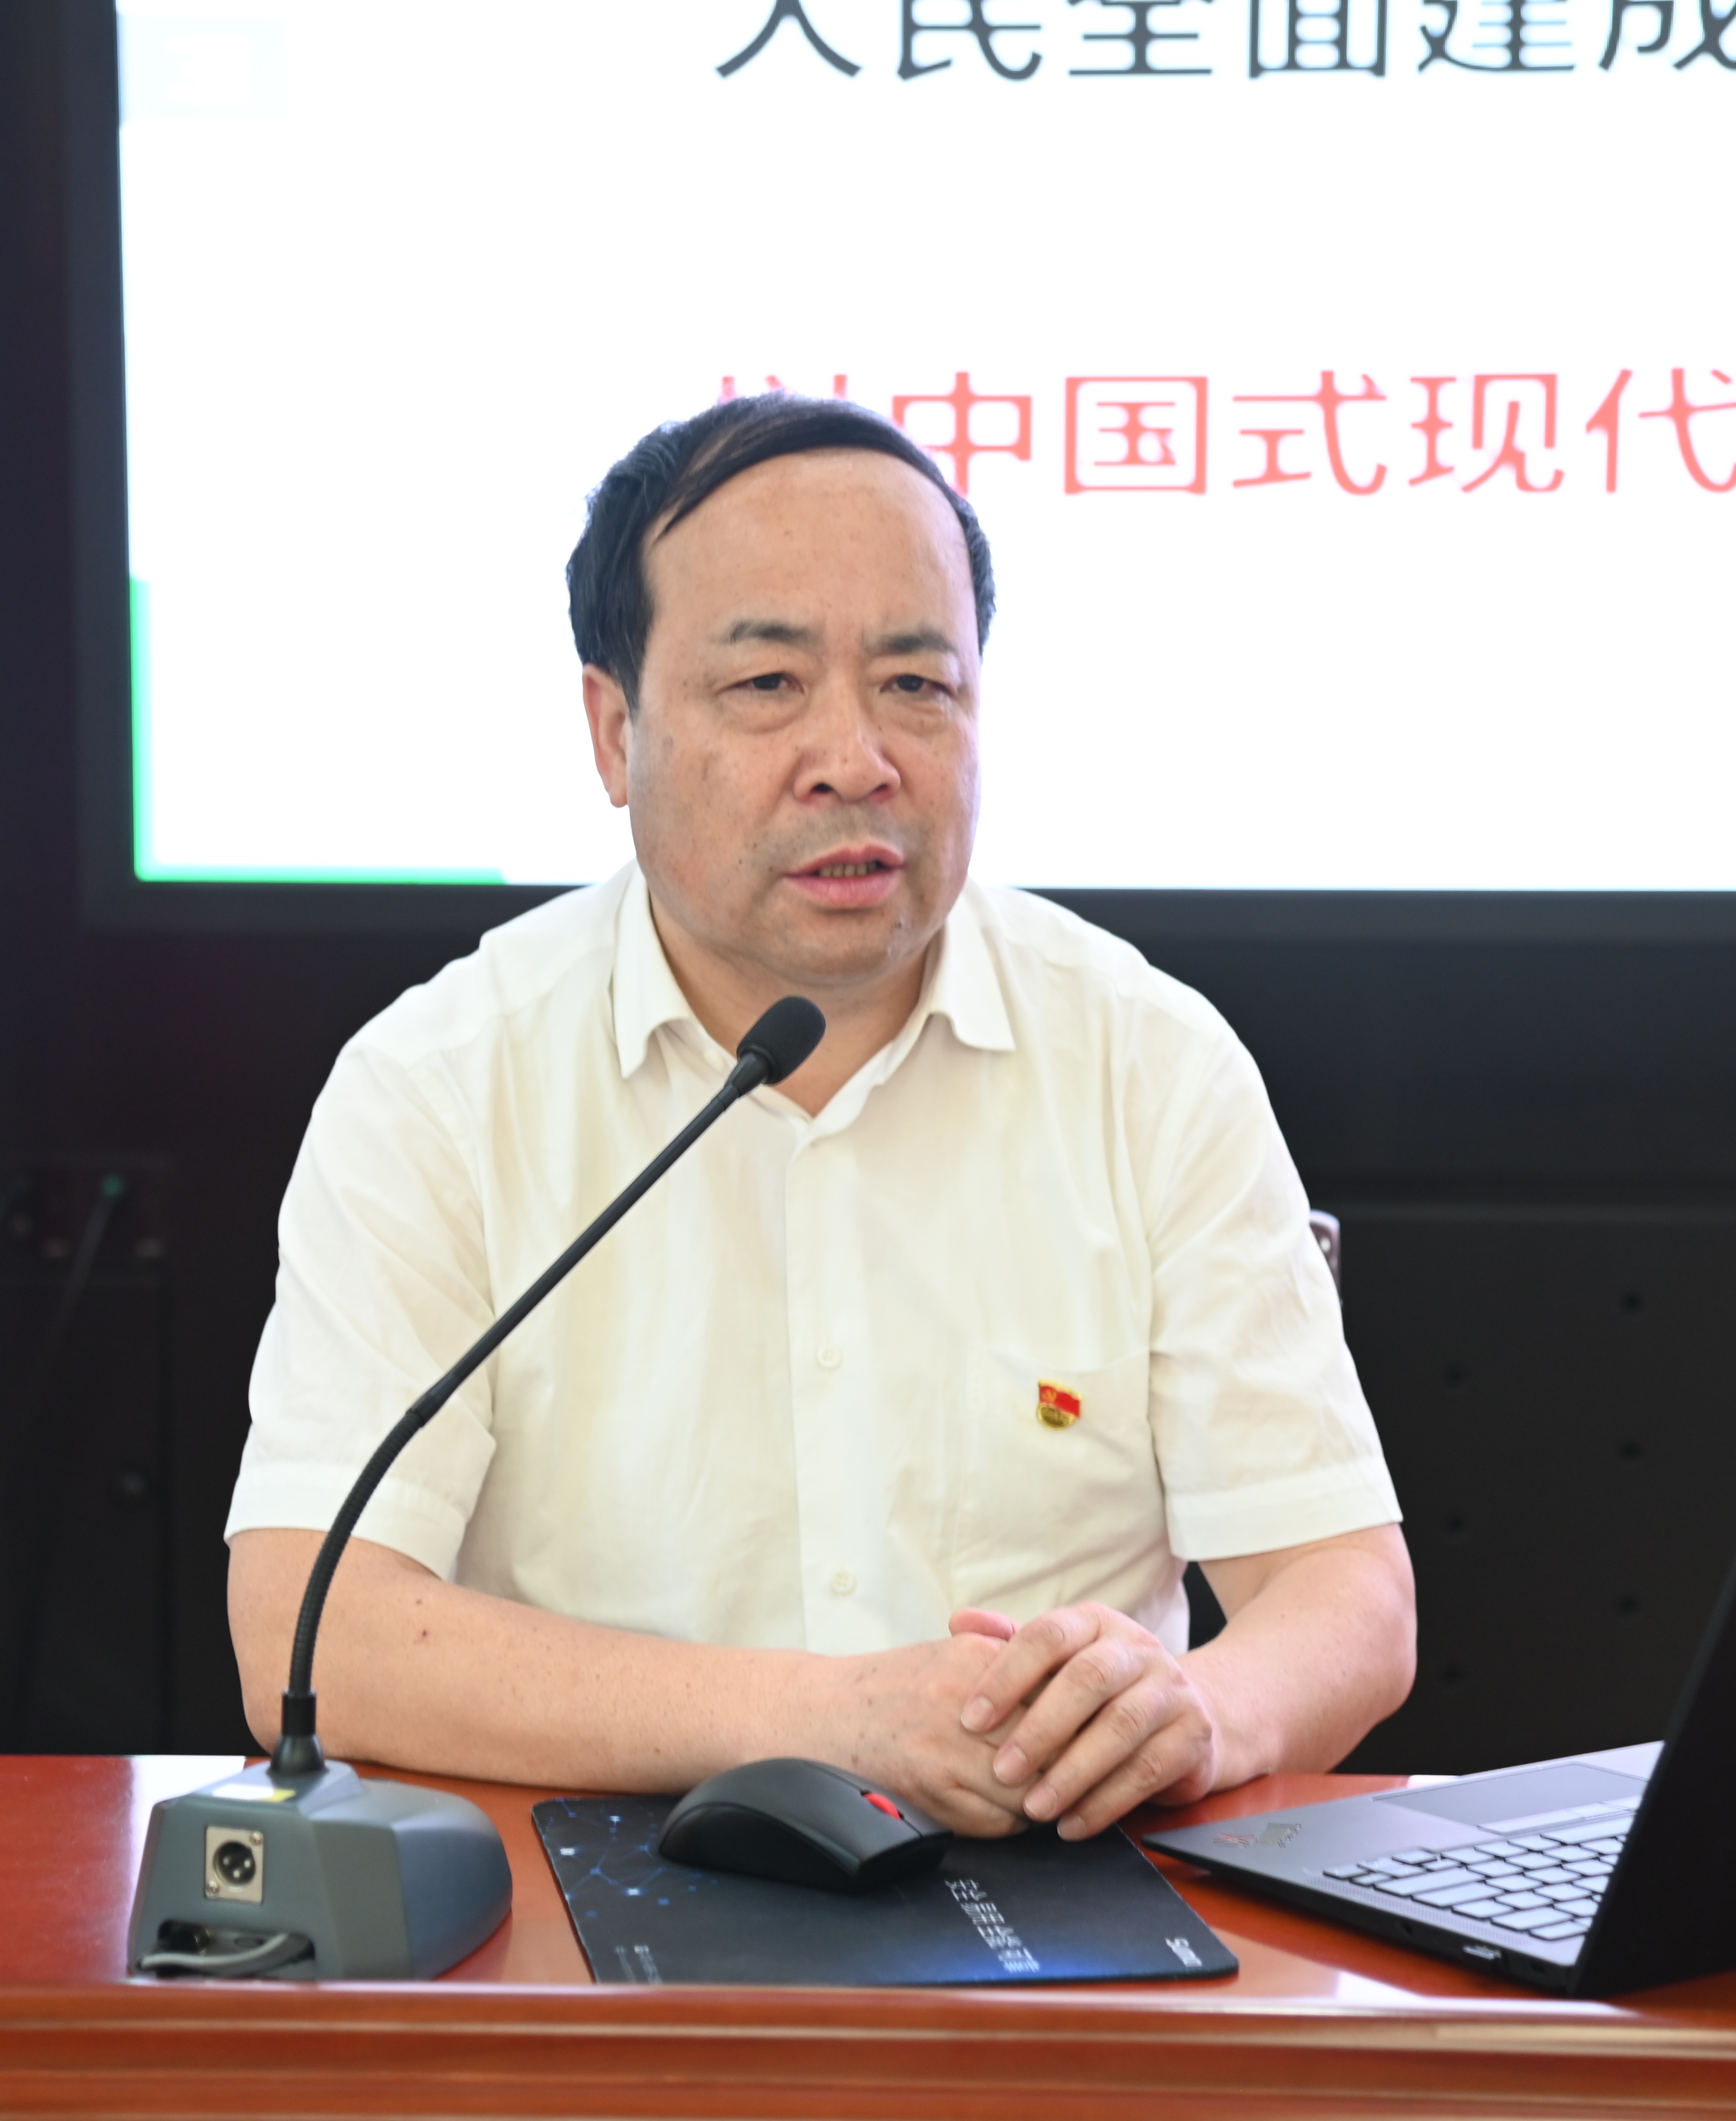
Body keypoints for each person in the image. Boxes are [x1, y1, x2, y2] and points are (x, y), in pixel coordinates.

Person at [225, 394, 1414, 1840]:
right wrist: (834, 1722)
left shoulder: (1146, 1061)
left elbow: (1344, 1592)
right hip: (590, 1893)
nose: (856, 757)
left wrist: (1201, 1712)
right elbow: (312, 1629)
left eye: (917, 684)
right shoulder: (442, 1083)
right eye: (768, 684)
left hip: (1052, 1889)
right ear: (614, 732)